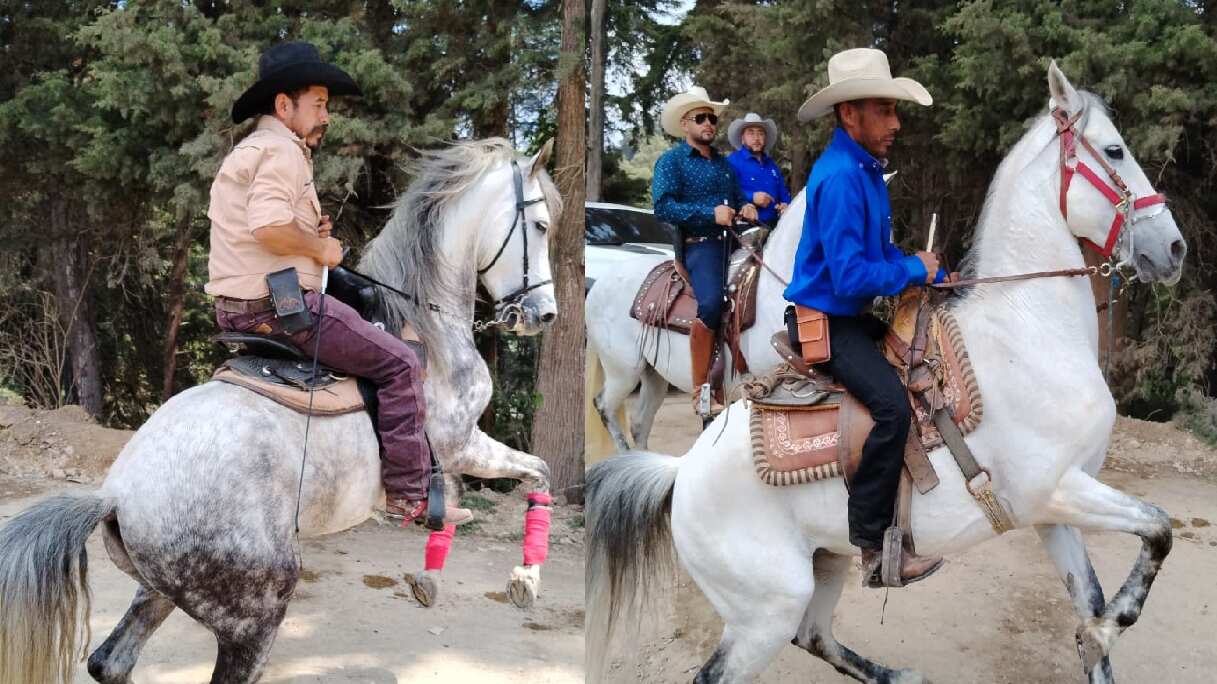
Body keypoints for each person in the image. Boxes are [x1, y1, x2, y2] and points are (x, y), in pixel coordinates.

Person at [205, 41, 472, 526]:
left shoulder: (251, 151)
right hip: (280, 306)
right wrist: (319, 249)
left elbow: (260, 231)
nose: (327, 116)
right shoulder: (281, 151)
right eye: (319, 104)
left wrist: (307, 236)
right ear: (284, 106)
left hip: (241, 304)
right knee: (398, 362)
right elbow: (267, 227)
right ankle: (408, 495)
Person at [785, 48, 947, 584]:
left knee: (925, 360)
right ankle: (876, 549)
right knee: (894, 407)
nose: (896, 123)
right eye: (884, 110)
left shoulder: (865, 171)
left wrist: (920, 271)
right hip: (827, 324)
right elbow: (853, 277)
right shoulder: (840, 178)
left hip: (847, 317)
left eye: (895, 111)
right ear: (849, 114)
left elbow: (873, 262)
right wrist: (911, 269)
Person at [652, 86, 758, 421]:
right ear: (685, 124)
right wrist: (709, 214)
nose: (709, 123)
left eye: (712, 118)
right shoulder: (671, 161)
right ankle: (701, 393)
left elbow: (738, 196)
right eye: (701, 118)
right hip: (701, 246)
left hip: (733, 242)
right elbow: (663, 207)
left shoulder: (724, 165)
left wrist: (746, 205)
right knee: (711, 302)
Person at [726, 112, 791, 226]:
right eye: (751, 133)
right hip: (747, 227)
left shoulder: (772, 165)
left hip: (776, 226)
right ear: (742, 138)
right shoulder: (732, 161)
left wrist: (785, 204)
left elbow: (783, 193)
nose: (756, 138)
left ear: (765, 138)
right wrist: (752, 197)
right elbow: (725, 192)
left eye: (760, 133)